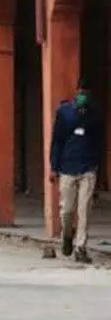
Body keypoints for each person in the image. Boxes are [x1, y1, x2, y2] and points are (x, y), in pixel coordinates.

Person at [50, 78, 102, 263]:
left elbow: (99, 143)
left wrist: (97, 166)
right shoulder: (64, 113)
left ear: (90, 95)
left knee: (85, 210)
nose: (82, 96)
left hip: (88, 168)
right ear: (76, 91)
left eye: (86, 93)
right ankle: (67, 236)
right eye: (80, 92)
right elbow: (57, 140)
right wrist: (54, 167)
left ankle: (81, 247)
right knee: (66, 210)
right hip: (67, 167)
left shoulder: (95, 115)